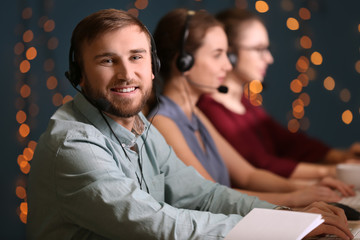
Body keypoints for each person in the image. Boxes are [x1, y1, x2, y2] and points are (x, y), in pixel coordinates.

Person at [26, 8, 353, 240]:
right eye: (107, 60)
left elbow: (206, 197)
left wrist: (285, 216)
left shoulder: (141, 128)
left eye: (137, 57)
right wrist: (285, 227)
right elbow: (158, 225)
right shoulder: (74, 146)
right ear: (79, 75)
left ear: (153, 67)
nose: (126, 73)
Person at [197, 8, 360, 180]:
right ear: (230, 54)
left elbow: (289, 142)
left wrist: (342, 156)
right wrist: (333, 170)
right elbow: (262, 165)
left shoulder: (245, 103)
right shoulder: (210, 109)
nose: (269, 58)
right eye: (259, 49)